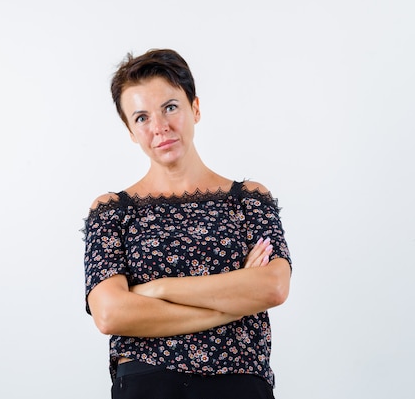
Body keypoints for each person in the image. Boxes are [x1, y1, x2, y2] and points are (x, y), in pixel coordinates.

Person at [82, 48, 292, 399]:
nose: (160, 127)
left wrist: (158, 289)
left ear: (194, 107)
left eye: (170, 107)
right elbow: (110, 314)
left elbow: (273, 288)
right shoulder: (110, 211)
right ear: (131, 131)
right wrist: (236, 297)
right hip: (146, 384)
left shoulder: (249, 199)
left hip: (239, 383)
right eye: (141, 118)